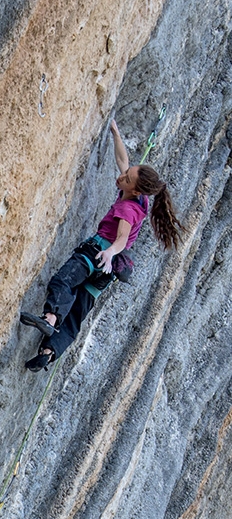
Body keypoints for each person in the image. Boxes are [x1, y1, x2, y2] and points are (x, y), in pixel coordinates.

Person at [20, 120, 184, 371]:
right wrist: (116, 134)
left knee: (63, 282)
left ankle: (50, 318)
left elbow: (121, 237)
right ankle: (49, 352)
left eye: (126, 179)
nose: (121, 177)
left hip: (98, 254)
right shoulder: (138, 198)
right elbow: (123, 161)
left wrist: (108, 252)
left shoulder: (127, 208)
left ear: (136, 189)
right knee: (77, 312)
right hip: (107, 272)